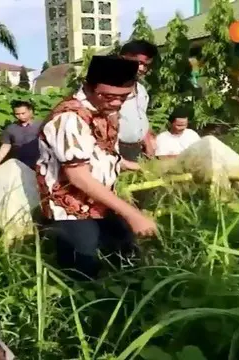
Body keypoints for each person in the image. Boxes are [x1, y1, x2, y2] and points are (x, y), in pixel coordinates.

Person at [36, 55, 157, 281]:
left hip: (99, 198)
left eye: (124, 97)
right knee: (83, 268)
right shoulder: (69, 118)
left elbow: (100, 150)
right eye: (109, 96)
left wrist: (125, 163)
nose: (116, 103)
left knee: (126, 251)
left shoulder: (105, 111)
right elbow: (78, 176)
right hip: (70, 207)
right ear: (89, 87)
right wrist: (133, 213)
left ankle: (127, 300)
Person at [117, 39, 159, 162]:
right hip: (114, 148)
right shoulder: (106, 90)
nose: (142, 68)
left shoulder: (141, 91)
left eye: (146, 65)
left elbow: (140, 119)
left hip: (136, 150)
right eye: (139, 62)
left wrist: (148, 143)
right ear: (123, 59)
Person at [0, 100, 42, 170]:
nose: (20, 116)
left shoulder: (41, 126)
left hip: (38, 163)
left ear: (30, 111)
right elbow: (5, 146)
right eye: (17, 114)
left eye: (23, 113)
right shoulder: (10, 128)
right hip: (18, 164)